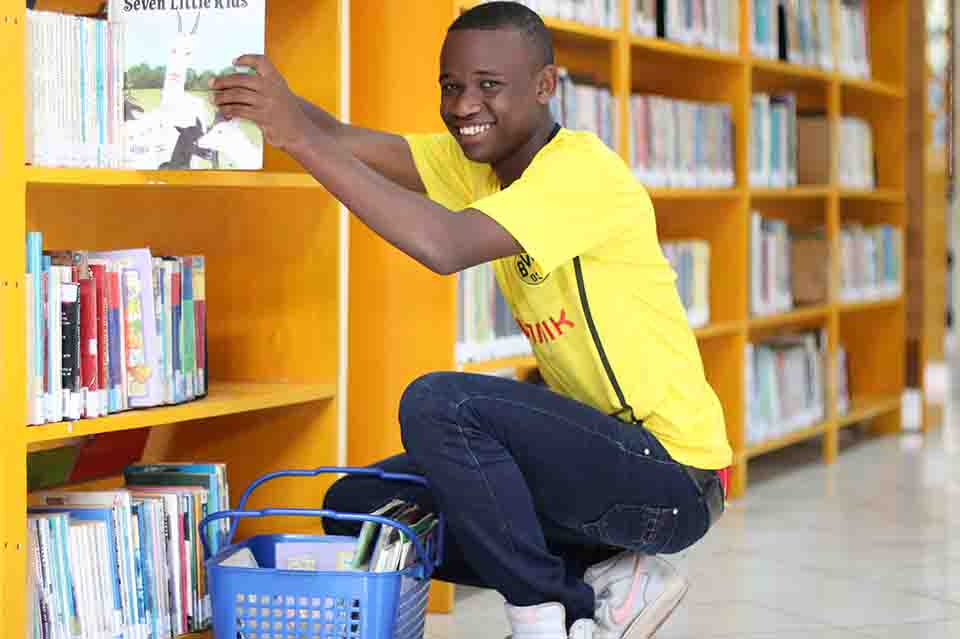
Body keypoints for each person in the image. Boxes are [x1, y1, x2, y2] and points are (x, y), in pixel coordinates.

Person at [211, 2, 731, 637]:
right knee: (361, 509)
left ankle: (547, 616)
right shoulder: (479, 165)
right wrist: (280, 105)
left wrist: (295, 135)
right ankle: (605, 584)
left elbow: (444, 245)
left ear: (545, 86)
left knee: (441, 403)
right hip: (594, 466)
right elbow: (345, 142)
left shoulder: (582, 173)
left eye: (489, 86)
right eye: (450, 86)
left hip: (670, 476)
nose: (463, 106)